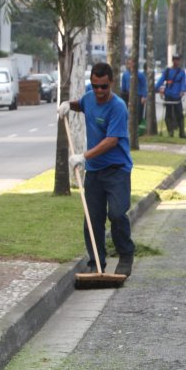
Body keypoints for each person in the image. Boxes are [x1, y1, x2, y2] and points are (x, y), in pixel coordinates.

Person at [59, 62, 135, 277]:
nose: (99, 91)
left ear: (111, 82)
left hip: (117, 169)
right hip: (94, 171)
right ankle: (96, 263)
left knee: (117, 214)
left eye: (103, 86)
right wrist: (68, 105)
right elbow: (81, 104)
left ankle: (126, 254)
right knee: (92, 220)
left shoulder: (118, 106)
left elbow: (111, 141)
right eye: (95, 86)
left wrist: (83, 156)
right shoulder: (90, 98)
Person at [156, 53, 186, 138]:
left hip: (177, 96)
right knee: (168, 115)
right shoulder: (167, 71)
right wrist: (155, 88)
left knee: (180, 115)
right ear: (173, 60)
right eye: (175, 59)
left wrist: (182, 90)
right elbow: (161, 81)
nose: (176, 61)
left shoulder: (181, 72)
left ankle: (182, 133)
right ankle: (170, 132)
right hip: (168, 95)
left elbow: (183, 83)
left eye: (178, 60)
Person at [120, 58, 146, 129]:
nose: (130, 65)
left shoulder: (140, 74)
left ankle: (137, 126)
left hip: (138, 95)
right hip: (127, 95)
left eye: (131, 63)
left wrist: (144, 96)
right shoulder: (125, 74)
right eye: (128, 64)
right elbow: (123, 87)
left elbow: (144, 85)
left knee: (138, 112)